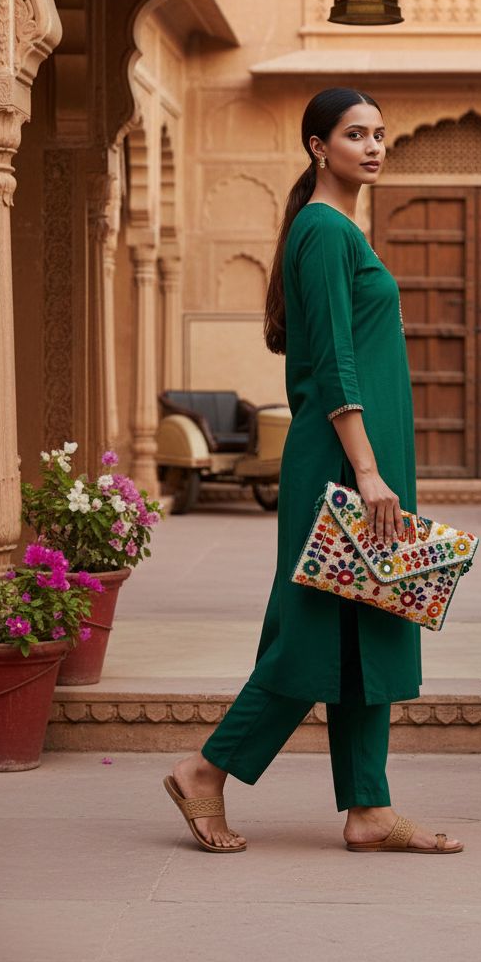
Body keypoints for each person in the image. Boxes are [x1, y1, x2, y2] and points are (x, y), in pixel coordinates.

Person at [164, 88, 464, 855]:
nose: (373, 146)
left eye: (380, 134)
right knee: (313, 639)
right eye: (355, 133)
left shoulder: (336, 229)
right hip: (343, 461)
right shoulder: (325, 231)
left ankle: (368, 807)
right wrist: (367, 472)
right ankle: (206, 770)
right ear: (316, 146)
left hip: (366, 461)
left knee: (372, 619)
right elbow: (332, 363)